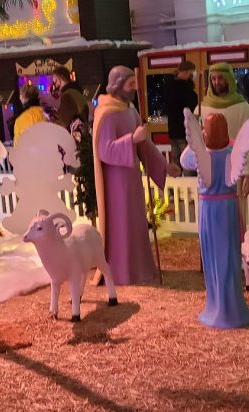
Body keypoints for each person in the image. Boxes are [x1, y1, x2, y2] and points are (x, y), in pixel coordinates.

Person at [92, 66, 182, 285]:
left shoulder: (130, 110)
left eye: (134, 84)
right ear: (118, 85)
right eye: (130, 84)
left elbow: (144, 145)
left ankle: (140, 268)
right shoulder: (106, 113)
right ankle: (121, 271)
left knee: (136, 223)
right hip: (115, 183)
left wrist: (164, 166)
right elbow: (104, 150)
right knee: (121, 224)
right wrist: (131, 140)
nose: (133, 89)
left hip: (131, 179)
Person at [181, 112, 249, 329]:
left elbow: (184, 159)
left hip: (209, 210)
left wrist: (197, 140)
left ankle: (216, 307)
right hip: (228, 209)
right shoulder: (232, 153)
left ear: (206, 134)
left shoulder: (200, 156)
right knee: (229, 257)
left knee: (213, 259)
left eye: (205, 130)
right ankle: (232, 306)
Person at [199, 63, 249, 199]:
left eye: (220, 78)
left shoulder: (242, 107)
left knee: (235, 207)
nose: (216, 82)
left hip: (234, 169)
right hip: (210, 171)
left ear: (229, 79)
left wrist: (248, 174)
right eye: (213, 78)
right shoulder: (202, 107)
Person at [164, 60, 198, 169]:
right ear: (187, 72)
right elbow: (192, 108)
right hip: (185, 131)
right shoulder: (187, 90)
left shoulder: (168, 87)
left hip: (173, 131)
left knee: (176, 161)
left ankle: (176, 179)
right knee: (188, 163)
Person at [50, 66, 89, 131]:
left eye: (54, 81)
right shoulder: (76, 92)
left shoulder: (67, 96)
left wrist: (49, 124)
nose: (54, 85)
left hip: (73, 135)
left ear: (59, 80)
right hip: (81, 134)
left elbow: (63, 122)